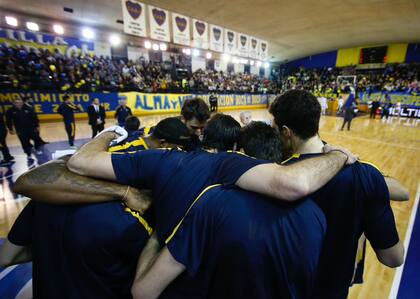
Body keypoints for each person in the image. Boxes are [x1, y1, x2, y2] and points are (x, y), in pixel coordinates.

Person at [1, 119, 193, 298]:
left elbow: (8, 256)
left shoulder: (43, 199)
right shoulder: (135, 224)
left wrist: (107, 135)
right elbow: (146, 287)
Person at [269, 90, 404, 299]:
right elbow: (393, 258)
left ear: (286, 131)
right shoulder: (364, 174)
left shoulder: (274, 177)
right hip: (334, 290)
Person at [109, 117, 191, 153]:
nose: (178, 150)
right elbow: (96, 158)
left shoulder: (152, 130)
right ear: (163, 144)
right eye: (177, 148)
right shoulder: (128, 150)